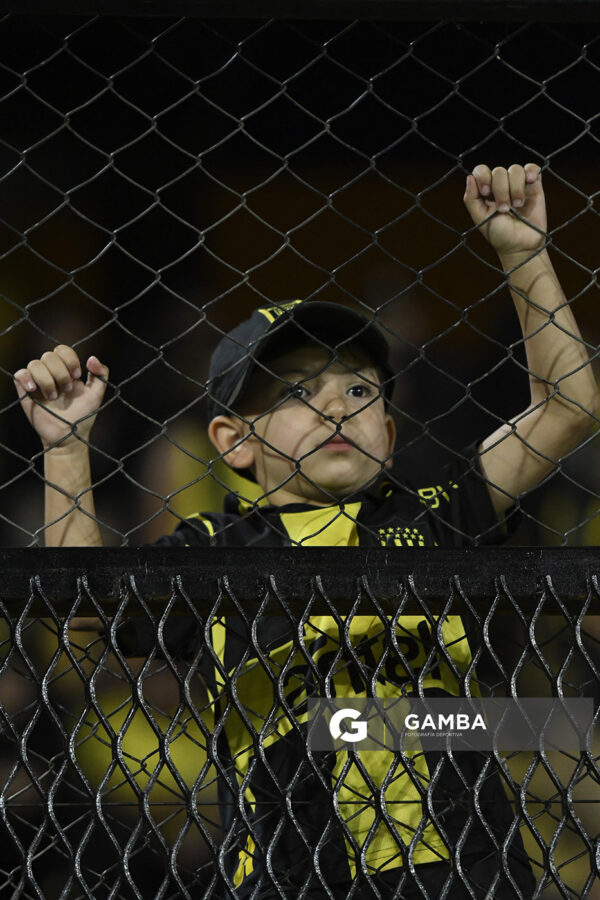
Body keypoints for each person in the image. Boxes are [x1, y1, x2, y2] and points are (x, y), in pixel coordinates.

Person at [14, 164, 597, 897]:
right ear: (233, 441)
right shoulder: (212, 548)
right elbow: (85, 607)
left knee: (550, 731)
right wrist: (67, 449)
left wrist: (524, 253)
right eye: (296, 391)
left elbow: (569, 408)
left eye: (357, 389)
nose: (335, 409)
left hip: (465, 869)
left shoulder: (433, 512)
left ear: (387, 429)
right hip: (293, 871)